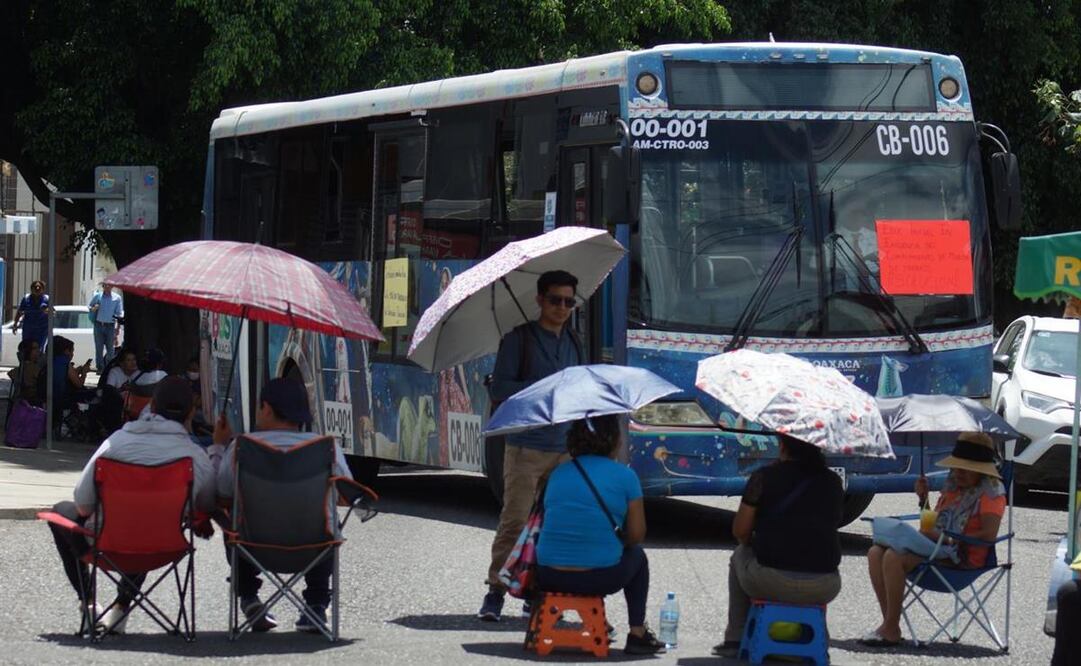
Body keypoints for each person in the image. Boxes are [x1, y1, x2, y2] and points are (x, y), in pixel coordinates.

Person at [45, 377, 215, 633]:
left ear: (152, 408)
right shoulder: (195, 457)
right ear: (191, 412)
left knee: (61, 511)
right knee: (151, 523)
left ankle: (89, 603)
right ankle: (120, 608)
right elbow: (207, 504)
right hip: (162, 547)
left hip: (107, 544)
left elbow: (83, 504)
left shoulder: (116, 443)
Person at [479, 269, 584, 621]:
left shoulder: (575, 342)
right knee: (515, 521)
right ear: (540, 300)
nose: (562, 307)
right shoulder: (518, 340)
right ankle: (495, 591)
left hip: (563, 447)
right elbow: (499, 390)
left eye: (569, 301)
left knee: (553, 526)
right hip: (525, 447)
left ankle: (536, 592)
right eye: (555, 300)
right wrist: (541, 387)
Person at [212, 377, 354, 633]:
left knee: (230, 517)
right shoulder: (327, 447)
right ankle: (316, 604)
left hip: (253, 549)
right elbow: (347, 493)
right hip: (314, 549)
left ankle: (248, 597)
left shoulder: (240, 448)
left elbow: (221, 492)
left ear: (267, 407)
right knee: (327, 520)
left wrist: (219, 445)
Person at [535, 414, 666, 655]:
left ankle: (590, 624)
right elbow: (637, 535)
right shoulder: (625, 476)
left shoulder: (557, 474)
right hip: (599, 578)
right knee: (637, 556)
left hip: (547, 574)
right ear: (614, 440)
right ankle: (637, 633)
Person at [862, 432, 1006, 647]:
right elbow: (934, 524)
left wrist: (947, 539)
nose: (958, 472)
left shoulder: (991, 493)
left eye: (965, 468)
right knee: (875, 552)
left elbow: (988, 535)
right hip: (936, 549)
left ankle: (890, 628)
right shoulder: (953, 487)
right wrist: (923, 500)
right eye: (956, 466)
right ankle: (890, 624)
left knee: (893, 556)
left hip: (962, 560)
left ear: (980, 470)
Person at [714, 434, 844, 658]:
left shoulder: (763, 477)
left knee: (739, 555)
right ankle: (817, 640)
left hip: (772, 581)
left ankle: (735, 638)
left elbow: (740, 531)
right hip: (825, 584)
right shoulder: (833, 481)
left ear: (783, 446)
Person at [88, 284, 124, 372]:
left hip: (110, 326)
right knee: (99, 349)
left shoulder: (117, 298)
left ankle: (109, 369)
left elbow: (119, 314)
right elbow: (89, 307)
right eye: (105, 285)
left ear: (112, 287)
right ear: (103, 286)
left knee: (110, 350)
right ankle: (100, 368)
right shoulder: (98, 296)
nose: (107, 287)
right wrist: (94, 308)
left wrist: (117, 329)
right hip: (98, 325)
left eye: (109, 285)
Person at [12, 280, 50, 349]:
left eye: (39, 287)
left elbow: (53, 313)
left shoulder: (47, 299)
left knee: (39, 349)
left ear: (43, 289)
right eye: (35, 287)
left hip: (41, 330)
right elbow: (19, 312)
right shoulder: (26, 299)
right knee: (26, 348)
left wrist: (47, 311)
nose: (37, 289)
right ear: (31, 289)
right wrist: (15, 324)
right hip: (28, 330)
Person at [7, 339, 43, 405]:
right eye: (35, 348)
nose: (38, 350)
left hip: (19, 402)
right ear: (28, 351)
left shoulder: (18, 370)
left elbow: (10, 373)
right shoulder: (35, 369)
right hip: (32, 403)